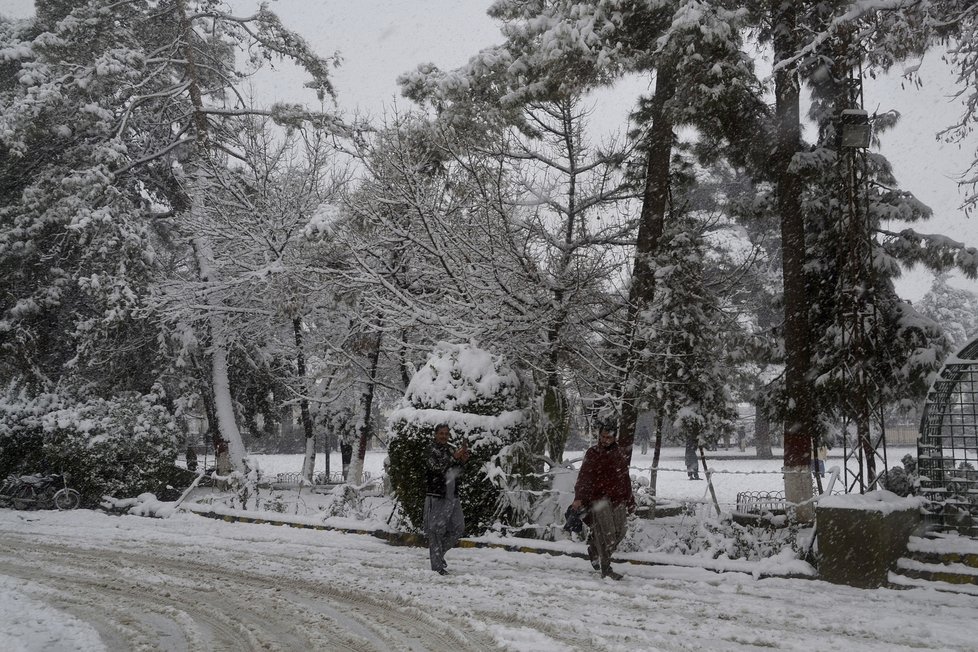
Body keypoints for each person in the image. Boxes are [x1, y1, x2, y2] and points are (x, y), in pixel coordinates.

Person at [571, 424, 635, 580]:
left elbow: (625, 477)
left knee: (621, 531)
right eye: (603, 437)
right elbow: (584, 476)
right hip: (599, 499)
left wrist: (630, 499)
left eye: (609, 437)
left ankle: (594, 548)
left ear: (614, 438)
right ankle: (606, 569)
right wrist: (579, 497)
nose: (606, 440)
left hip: (618, 498)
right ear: (599, 436)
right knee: (607, 536)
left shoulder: (619, 454)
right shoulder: (593, 453)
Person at [424, 423, 469, 575]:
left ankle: (438, 555)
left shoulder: (450, 448)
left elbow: (456, 471)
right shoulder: (431, 449)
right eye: (441, 433)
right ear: (435, 434)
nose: (444, 436)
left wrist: (462, 461)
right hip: (437, 494)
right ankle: (437, 567)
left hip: (452, 494)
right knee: (436, 531)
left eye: (446, 434)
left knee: (458, 527)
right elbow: (436, 469)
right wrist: (453, 458)